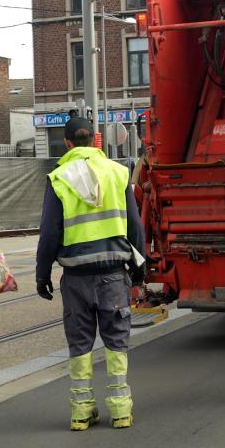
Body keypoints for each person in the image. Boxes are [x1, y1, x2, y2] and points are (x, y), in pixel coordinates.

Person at [35, 116, 146, 431]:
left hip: (76, 278)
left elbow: (48, 234)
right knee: (117, 339)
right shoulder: (117, 173)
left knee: (80, 341)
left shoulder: (58, 179)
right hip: (113, 275)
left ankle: (82, 412)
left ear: (67, 143)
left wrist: (42, 275)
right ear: (96, 141)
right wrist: (139, 266)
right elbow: (134, 226)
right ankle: (121, 410)